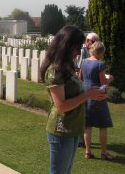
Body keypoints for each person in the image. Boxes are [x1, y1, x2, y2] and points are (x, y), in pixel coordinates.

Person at [40, 26, 107, 174]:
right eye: (77, 48)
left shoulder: (68, 67)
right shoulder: (54, 71)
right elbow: (61, 106)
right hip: (61, 128)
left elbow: (77, 92)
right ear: (67, 46)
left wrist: (95, 92)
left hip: (74, 128)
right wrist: (87, 95)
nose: (78, 52)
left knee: (66, 171)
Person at [79, 41, 115, 160]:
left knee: (87, 126)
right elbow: (103, 83)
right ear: (101, 52)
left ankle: (88, 152)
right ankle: (104, 153)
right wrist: (109, 79)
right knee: (102, 126)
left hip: (86, 94)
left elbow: (80, 78)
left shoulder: (84, 62)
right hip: (97, 96)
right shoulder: (100, 64)